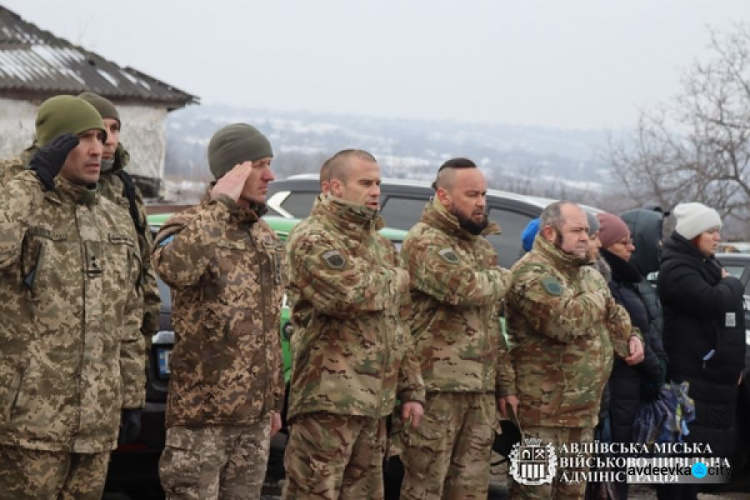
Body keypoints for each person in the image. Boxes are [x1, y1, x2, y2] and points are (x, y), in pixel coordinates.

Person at [0, 95, 146, 499]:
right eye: (83, 138)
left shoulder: (114, 217)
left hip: (96, 424)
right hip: (28, 422)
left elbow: (128, 316)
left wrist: (130, 396)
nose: (98, 149)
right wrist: (33, 181)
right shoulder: (21, 205)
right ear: (54, 145)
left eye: (101, 137)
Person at [152, 123, 285, 499]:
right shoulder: (188, 225)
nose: (269, 175)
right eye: (259, 164)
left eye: (270, 163)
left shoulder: (264, 237)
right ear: (231, 171)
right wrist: (220, 208)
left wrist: (273, 402)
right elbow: (176, 269)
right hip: (202, 421)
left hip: (254, 421)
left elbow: (269, 327)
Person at [283, 149, 425, 500]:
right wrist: (399, 278)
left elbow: (398, 323)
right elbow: (347, 295)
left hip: (375, 404)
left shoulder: (380, 245)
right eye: (365, 183)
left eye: (378, 182)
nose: (375, 190)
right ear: (334, 187)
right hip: (328, 399)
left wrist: (411, 390)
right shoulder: (313, 237)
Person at [505, 201, 643, 499]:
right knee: (534, 493)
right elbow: (566, 322)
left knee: (572, 494)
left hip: (582, 414)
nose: (585, 236)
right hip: (542, 414)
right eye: (577, 230)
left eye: (587, 230)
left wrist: (633, 338)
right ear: (550, 233)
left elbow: (615, 316)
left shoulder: (587, 273)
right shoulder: (531, 273)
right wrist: (595, 297)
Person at [397, 157, 514, 499]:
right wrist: (506, 276)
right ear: (445, 197)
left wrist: (504, 384)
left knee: (470, 490)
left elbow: (492, 322)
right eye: (472, 194)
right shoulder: (425, 241)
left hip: (479, 392)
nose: (482, 202)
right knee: (425, 487)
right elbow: (465, 289)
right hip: (435, 390)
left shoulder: (481, 248)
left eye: (484, 194)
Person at [656, 202, 745, 500]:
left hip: (711, 380)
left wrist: (735, 365)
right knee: (682, 453)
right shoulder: (678, 268)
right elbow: (712, 301)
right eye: (711, 231)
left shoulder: (704, 263)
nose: (718, 237)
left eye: (718, 231)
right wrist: (733, 284)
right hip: (689, 379)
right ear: (694, 234)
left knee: (698, 461)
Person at [77, 92, 161, 344]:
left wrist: (147, 325)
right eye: (100, 132)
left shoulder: (124, 187)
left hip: (121, 341)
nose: (110, 141)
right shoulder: (40, 185)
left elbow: (144, 261)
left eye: (114, 130)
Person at [597, 212, 667, 499]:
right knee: (608, 475)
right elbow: (621, 337)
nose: (631, 247)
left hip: (631, 388)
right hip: (617, 386)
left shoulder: (627, 279)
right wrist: (655, 367)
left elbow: (635, 328)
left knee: (618, 471)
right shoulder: (608, 282)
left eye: (631, 240)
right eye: (623, 242)